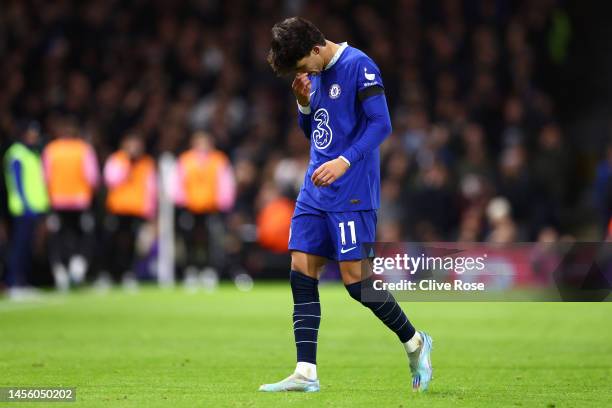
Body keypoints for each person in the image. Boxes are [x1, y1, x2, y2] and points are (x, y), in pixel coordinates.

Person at [259, 17, 433, 393]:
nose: (304, 73)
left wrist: (344, 161)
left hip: (352, 190)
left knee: (357, 284)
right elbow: (316, 131)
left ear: (316, 49)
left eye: (303, 65)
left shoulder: (359, 65)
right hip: (314, 189)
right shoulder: (315, 75)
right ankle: (306, 372)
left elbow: (381, 125)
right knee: (301, 269)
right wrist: (304, 105)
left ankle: (416, 341)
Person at [42, 118, 99, 290]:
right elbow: (93, 177)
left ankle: (60, 270)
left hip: (57, 201)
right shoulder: (83, 149)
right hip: (80, 201)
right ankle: (77, 266)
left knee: (59, 237)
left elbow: (45, 177)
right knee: (82, 235)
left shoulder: (51, 149)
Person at [173, 130, 235, 284]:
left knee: (213, 241)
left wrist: (224, 202)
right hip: (190, 207)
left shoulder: (219, 159)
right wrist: (180, 200)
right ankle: (191, 270)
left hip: (211, 207)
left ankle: (210, 270)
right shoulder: (185, 159)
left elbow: (226, 182)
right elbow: (178, 181)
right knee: (189, 241)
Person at [3, 122, 49, 297]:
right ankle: (13, 282)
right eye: (32, 133)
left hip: (35, 208)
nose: (35, 136)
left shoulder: (33, 153)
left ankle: (22, 281)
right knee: (19, 246)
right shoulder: (17, 154)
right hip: (23, 208)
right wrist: (25, 204)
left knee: (29, 247)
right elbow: (17, 183)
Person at [103, 133, 156, 285]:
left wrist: (151, 212)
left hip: (138, 210)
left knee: (134, 245)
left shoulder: (147, 163)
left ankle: (129, 273)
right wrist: (127, 164)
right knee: (114, 242)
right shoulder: (117, 160)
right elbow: (111, 180)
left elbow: (151, 189)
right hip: (118, 209)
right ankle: (111, 273)